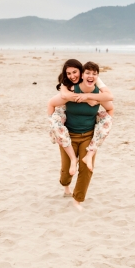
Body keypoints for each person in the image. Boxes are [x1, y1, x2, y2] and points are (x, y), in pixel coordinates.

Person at [55, 61, 113, 209]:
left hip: (88, 136)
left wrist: (102, 124)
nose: (90, 76)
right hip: (69, 136)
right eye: (88, 73)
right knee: (66, 169)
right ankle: (66, 186)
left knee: (87, 169)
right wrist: (55, 128)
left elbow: (110, 107)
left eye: (94, 74)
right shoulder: (70, 90)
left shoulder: (98, 94)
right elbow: (53, 102)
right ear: (83, 74)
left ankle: (77, 200)